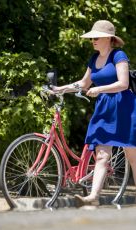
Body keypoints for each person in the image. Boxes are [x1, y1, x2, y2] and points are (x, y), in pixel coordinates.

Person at [51, 20, 136, 206]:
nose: (93, 41)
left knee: (132, 157)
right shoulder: (93, 58)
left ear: (108, 38)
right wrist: (61, 88)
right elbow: (83, 84)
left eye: (96, 37)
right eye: (92, 38)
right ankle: (93, 197)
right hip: (104, 109)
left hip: (124, 108)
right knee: (102, 155)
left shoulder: (119, 55)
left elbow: (123, 84)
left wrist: (100, 89)